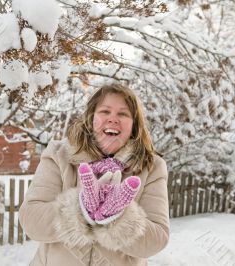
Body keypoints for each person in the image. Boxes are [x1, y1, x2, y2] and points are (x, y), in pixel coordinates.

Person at [19, 84, 170, 266]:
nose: (113, 119)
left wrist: (117, 216)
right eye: (105, 111)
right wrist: (81, 209)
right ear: (91, 118)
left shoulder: (151, 167)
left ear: (134, 125)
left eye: (123, 114)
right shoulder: (59, 155)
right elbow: (31, 220)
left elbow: (157, 239)